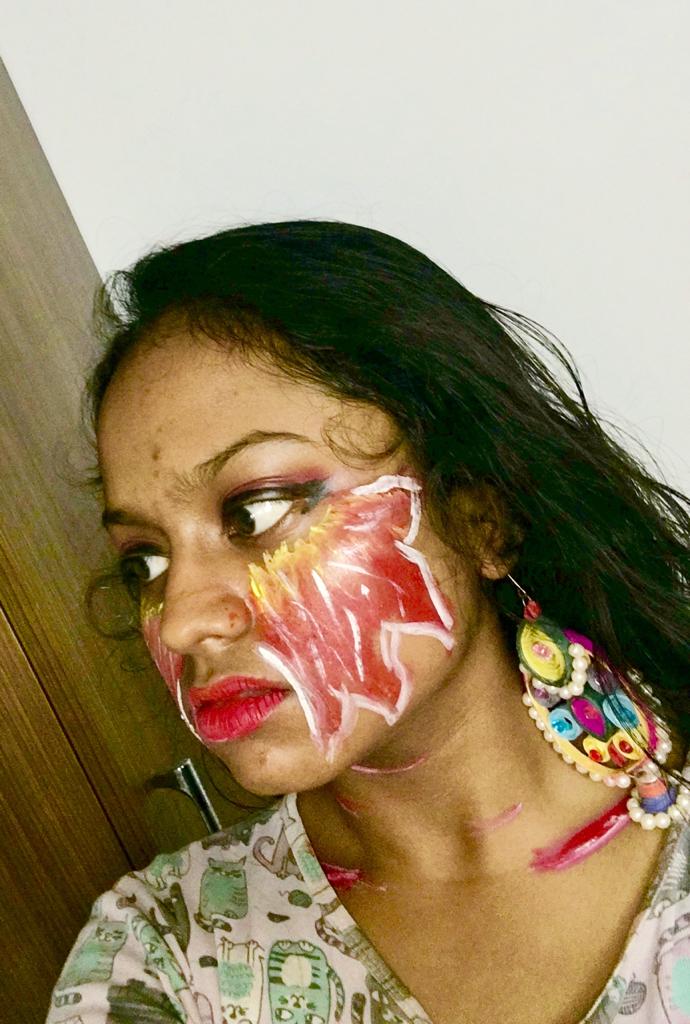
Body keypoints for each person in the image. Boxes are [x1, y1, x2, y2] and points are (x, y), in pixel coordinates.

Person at [47, 221, 690, 1024]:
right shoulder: (170, 955)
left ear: (480, 520)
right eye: (144, 561)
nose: (177, 622)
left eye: (257, 512)